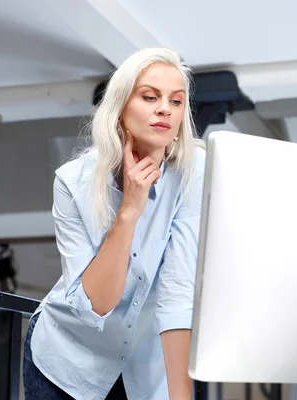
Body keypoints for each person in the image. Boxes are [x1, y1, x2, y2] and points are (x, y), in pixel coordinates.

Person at [23, 47, 207, 400]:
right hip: (68, 361)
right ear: (121, 108)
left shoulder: (193, 171)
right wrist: (129, 213)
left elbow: (178, 293)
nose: (164, 109)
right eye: (150, 97)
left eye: (176, 101)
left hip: (145, 368)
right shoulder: (72, 182)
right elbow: (96, 305)